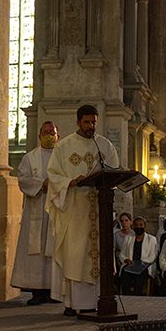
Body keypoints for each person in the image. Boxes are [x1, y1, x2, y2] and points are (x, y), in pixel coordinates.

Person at [46, 104, 119, 316]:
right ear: (78, 122)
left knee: (97, 254)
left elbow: (114, 172)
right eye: (86, 122)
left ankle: (99, 300)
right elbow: (53, 175)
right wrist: (71, 182)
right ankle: (73, 303)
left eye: (94, 122)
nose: (90, 126)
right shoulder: (64, 146)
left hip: (99, 207)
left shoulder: (104, 146)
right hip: (75, 209)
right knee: (75, 255)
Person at [10, 121, 59, 305]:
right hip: (36, 209)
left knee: (53, 250)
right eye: (45, 132)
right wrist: (41, 184)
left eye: (52, 132)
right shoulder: (29, 158)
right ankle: (37, 292)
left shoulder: (62, 157)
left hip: (56, 210)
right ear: (39, 136)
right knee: (36, 251)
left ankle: (54, 291)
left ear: (57, 136)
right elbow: (23, 179)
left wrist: (54, 185)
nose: (49, 135)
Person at [119, 216, 158, 295]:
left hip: (144, 265)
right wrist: (126, 259)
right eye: (136, 225)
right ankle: (126, 296)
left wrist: (141, 263)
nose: (138, 227)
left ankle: (138, 296)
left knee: (139, 274)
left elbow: (153, 256)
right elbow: (122, 254)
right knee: (125, 273)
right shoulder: (128, 238)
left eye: (141, 225)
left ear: (144, 226)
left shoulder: (152, 239)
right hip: (130, 264)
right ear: (133, 226)